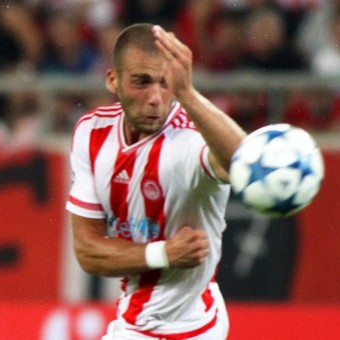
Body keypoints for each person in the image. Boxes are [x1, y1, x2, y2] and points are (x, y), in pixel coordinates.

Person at [65, 24, 246, 339]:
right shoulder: (91, 133)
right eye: (141, 82)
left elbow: (243, 164)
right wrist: (165, 253)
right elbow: (88, 251)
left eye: (166, 84)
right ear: (113, 80)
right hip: (136, 319)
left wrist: (188, 93)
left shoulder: (190, 139)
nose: (155, 98)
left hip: (190, 326)